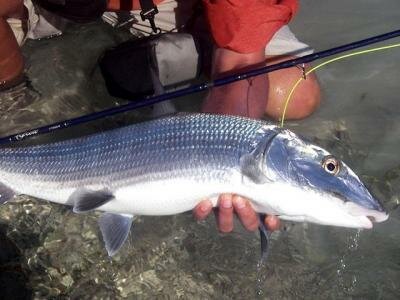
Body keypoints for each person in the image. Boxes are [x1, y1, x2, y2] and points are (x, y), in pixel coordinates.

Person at [1, 0, 320, 233]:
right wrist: (17, 102)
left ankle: (191, 52)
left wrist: (228, 147)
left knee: (294, 90)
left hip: (181, 6)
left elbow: (239, 66)